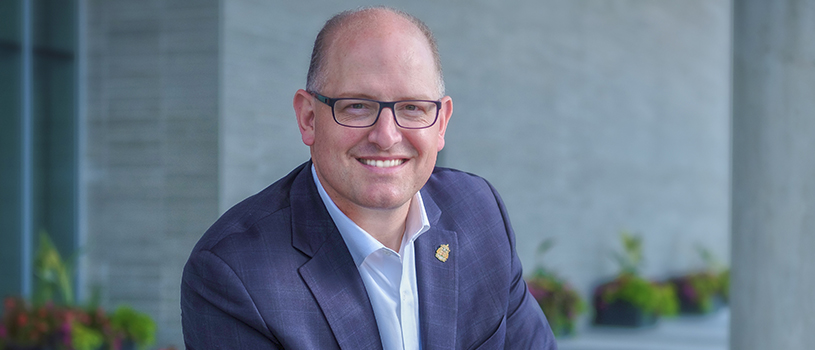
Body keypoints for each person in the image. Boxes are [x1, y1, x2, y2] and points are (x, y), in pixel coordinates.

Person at [180, 6, 555, 350]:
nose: (387, 136)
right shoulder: (233, 274)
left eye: (412, 107)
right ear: (308, 118)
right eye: (358, 106)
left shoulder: (479, 212)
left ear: (441, 123)